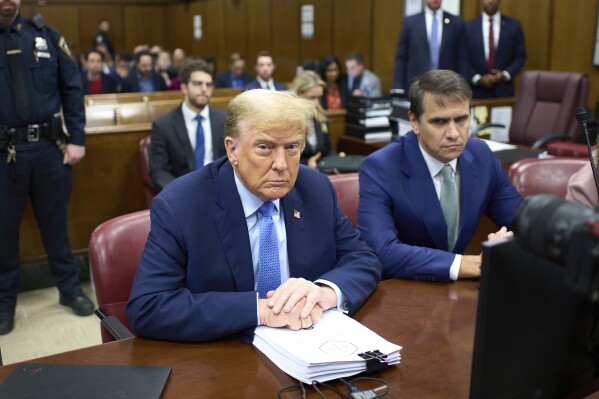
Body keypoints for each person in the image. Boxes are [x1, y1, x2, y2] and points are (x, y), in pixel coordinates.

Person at [127, 89, 382, 342]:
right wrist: (261, 311)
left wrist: (323, 292)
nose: (281, 164)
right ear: (232, 150)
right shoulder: (181, 205)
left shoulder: (315, 189)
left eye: (292, 147)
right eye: (264, 147)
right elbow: (149, 306)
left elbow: (362, 258)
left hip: (310, 344)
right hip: (223, 357)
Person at [358, 70, 522, 282]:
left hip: (457, 293)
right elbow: (381, 251)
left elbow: (519, 219)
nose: (454, 133)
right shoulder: (380, 167)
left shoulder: (481, 156)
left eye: (462, 119)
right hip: (401, 291)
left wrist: (507, 241)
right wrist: (463, 264)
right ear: (415, 122)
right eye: (439, 122)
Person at [0, 0, 95, 335]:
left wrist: (77, 139)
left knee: (56, 225)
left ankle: (69, 289)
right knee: (3, 231)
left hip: (47, 149)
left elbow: (72, 87)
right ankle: (4, 301)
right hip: (3, 152)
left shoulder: (46, 35)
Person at [149, 58, 227, 190]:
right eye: (198, 83)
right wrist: (181, 192)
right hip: (182, 194)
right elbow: (159, 170)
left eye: (208, 84)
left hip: (220, 190)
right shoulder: (163, 125)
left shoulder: (224, 119)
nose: (204, 89)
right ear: (184, 87)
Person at [392, 0, 467, 93]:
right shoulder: (410, 23)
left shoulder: (456, 22)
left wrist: (464, 86)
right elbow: (401, 57)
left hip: (447, 86)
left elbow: (463, 58)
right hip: (417, 86)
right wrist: (398, 86)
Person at [465, 0, 526, 99]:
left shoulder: (514, 26)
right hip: (477, 92)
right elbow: (463, 59)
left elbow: (520, 56)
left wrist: (505, 75)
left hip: (504, 91)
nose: (490, 1)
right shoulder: (468, 27)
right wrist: (478, 78)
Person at [289, 71, 343, 169]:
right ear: (297, 95)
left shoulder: (319, 117)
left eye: (319, 97)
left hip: (319, 170)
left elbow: (327, 150)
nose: (316, 103)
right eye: (311, 98)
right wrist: (307, 165)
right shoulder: (287, 121)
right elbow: (286, 157)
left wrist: (338, 158)